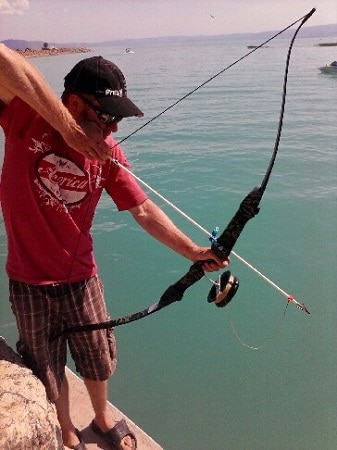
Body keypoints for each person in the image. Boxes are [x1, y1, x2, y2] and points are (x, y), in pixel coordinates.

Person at [0, 44, 228, 450]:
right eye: (108, 117)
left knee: (97, 359)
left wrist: (194, 252)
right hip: (28, 279)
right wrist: (68, 130)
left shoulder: (108, 155)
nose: (114, 130)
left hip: (81, 278)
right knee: (48, 366)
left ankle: (102, 417)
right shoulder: (24, 117)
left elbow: (142, 209)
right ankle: (66, 425)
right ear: (73, 103)